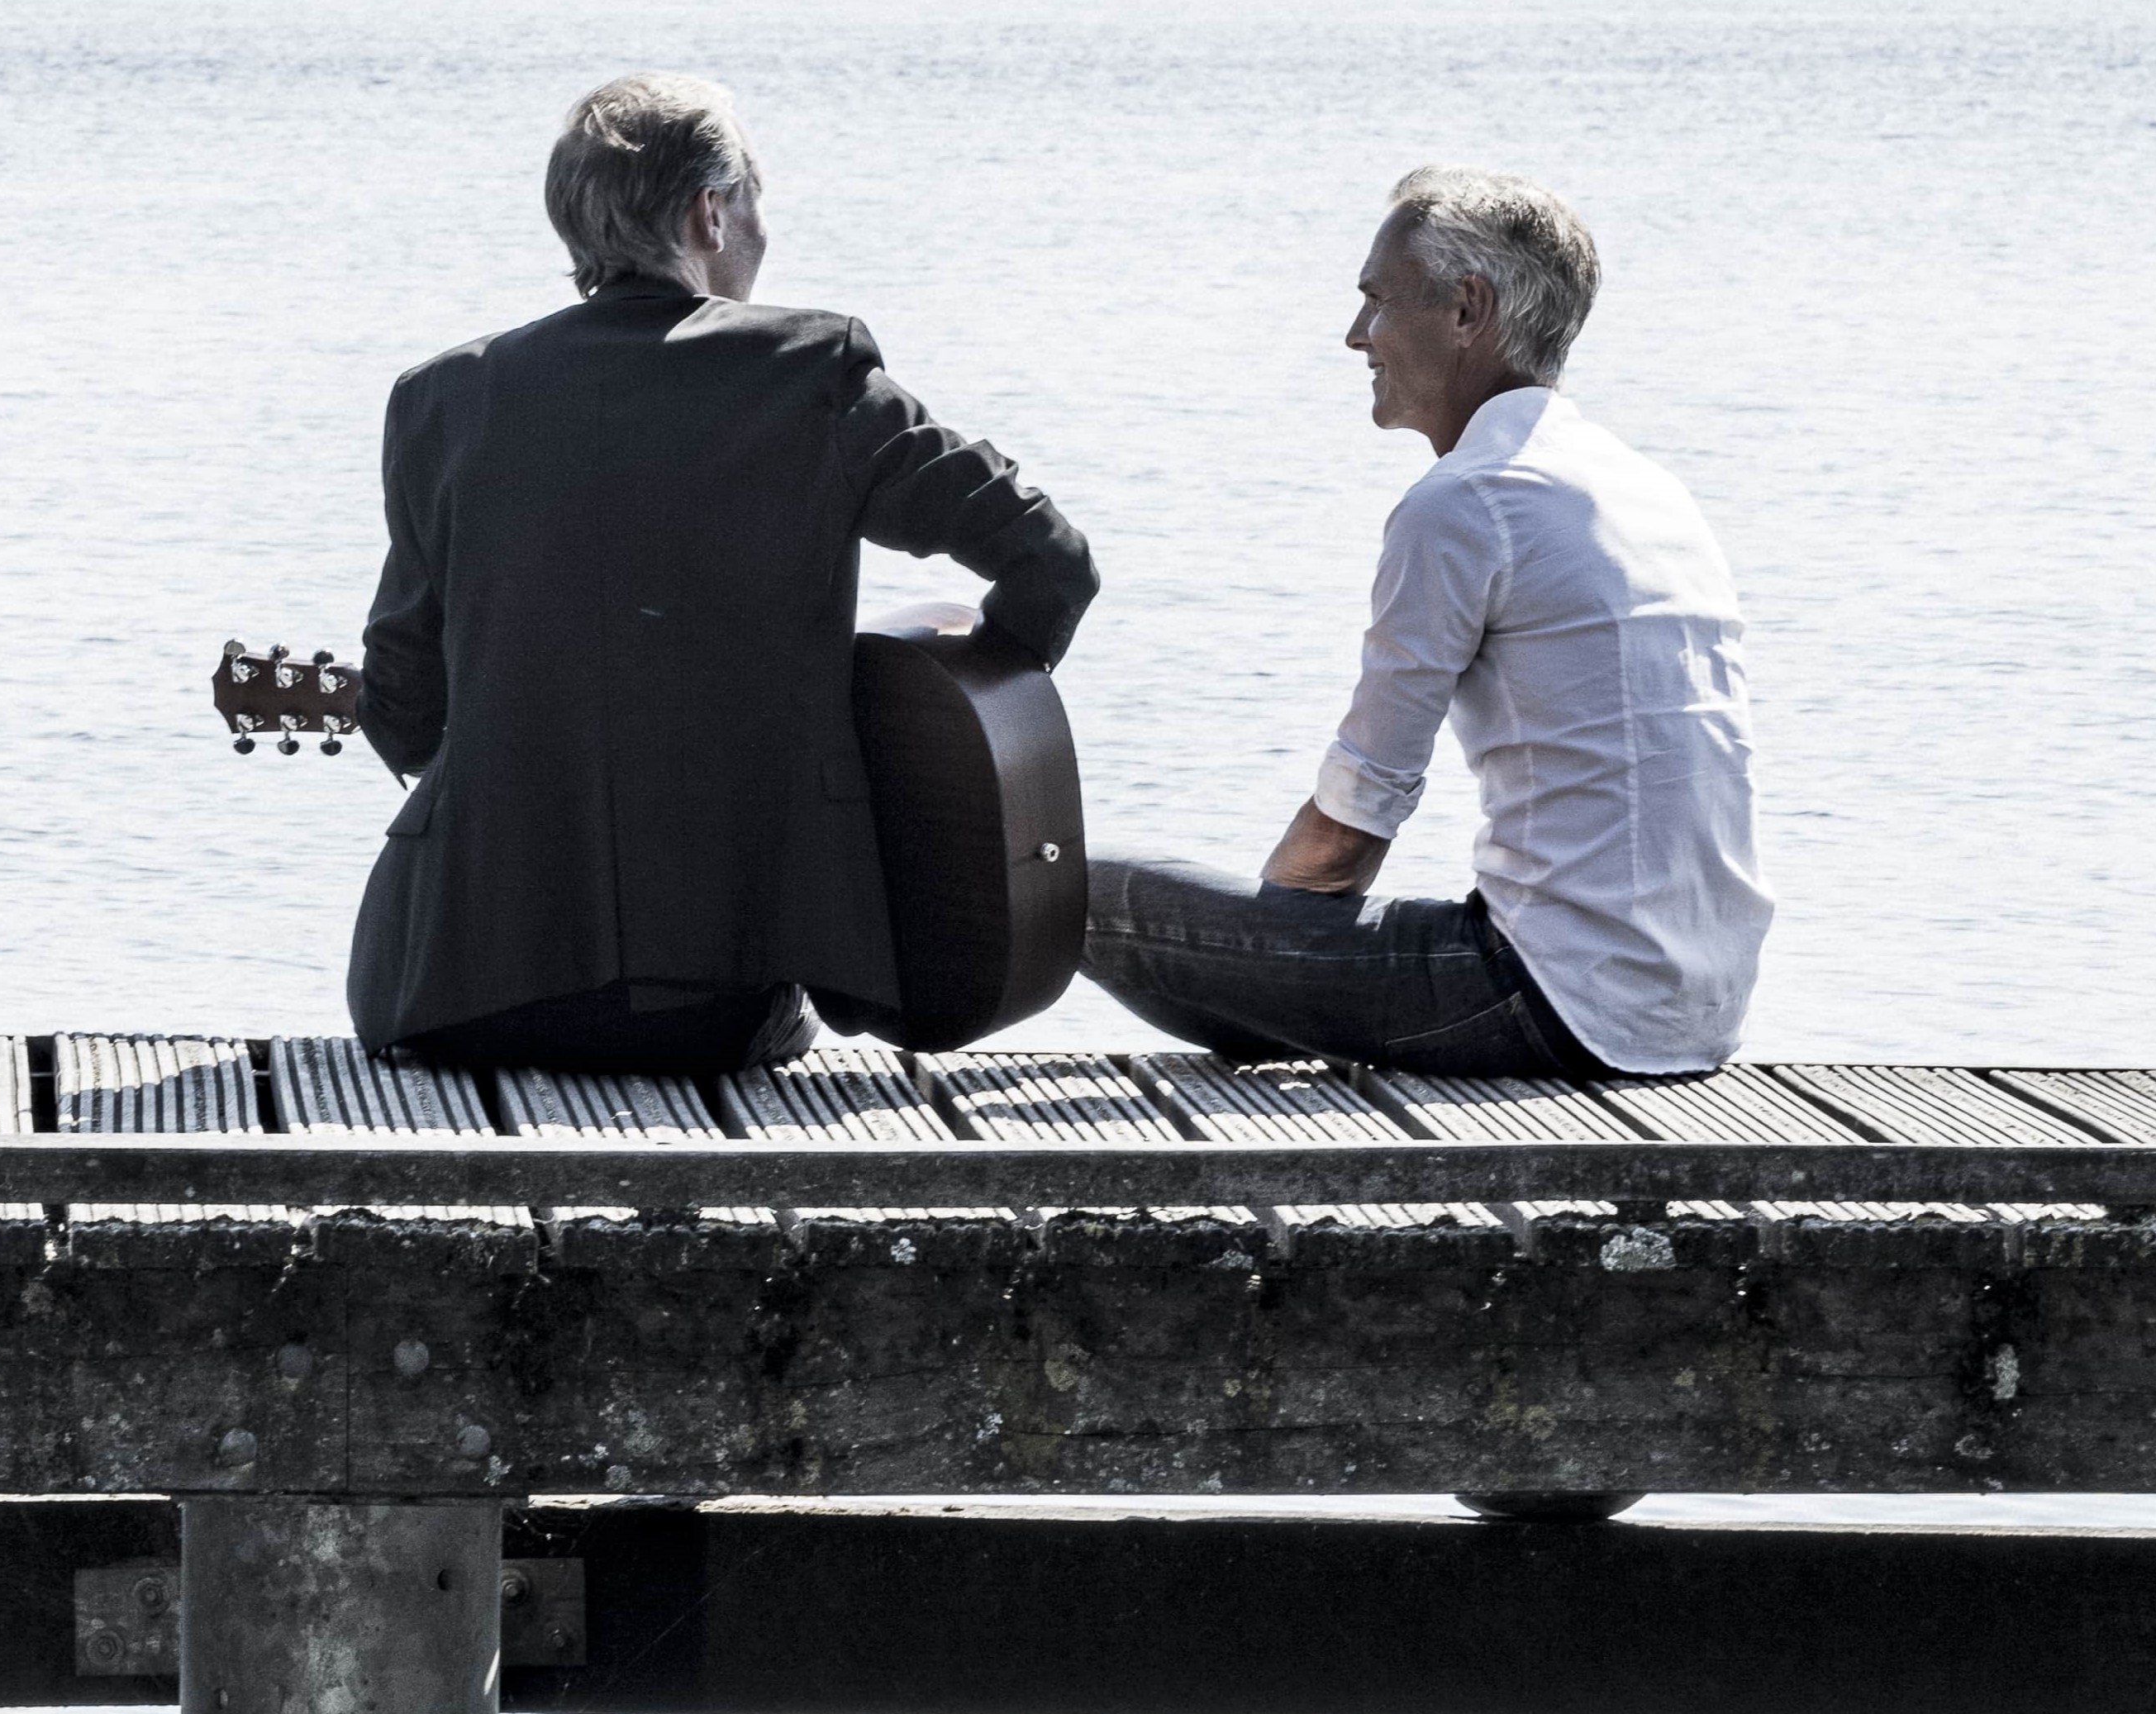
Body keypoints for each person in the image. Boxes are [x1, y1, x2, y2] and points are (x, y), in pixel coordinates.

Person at [346, 74, 1098, 1073]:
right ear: (710, 212)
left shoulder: (441, 400)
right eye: (756, 199)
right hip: (705, 1011)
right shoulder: (809, 375)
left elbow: (400, 706)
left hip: (445, 997)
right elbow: (1052, 563)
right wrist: (949, 744)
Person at [1079, 167, 1767, 1077]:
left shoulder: (1468, 501)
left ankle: (860, 994)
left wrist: (1264, 952)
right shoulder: (1640, 488)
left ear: (1465, 310)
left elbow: (1354, 821)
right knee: (1235, 959)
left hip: (1549, 1001)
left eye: (1375, 301)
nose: (1355, 335)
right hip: (1695, 1009)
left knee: (1069, 891)